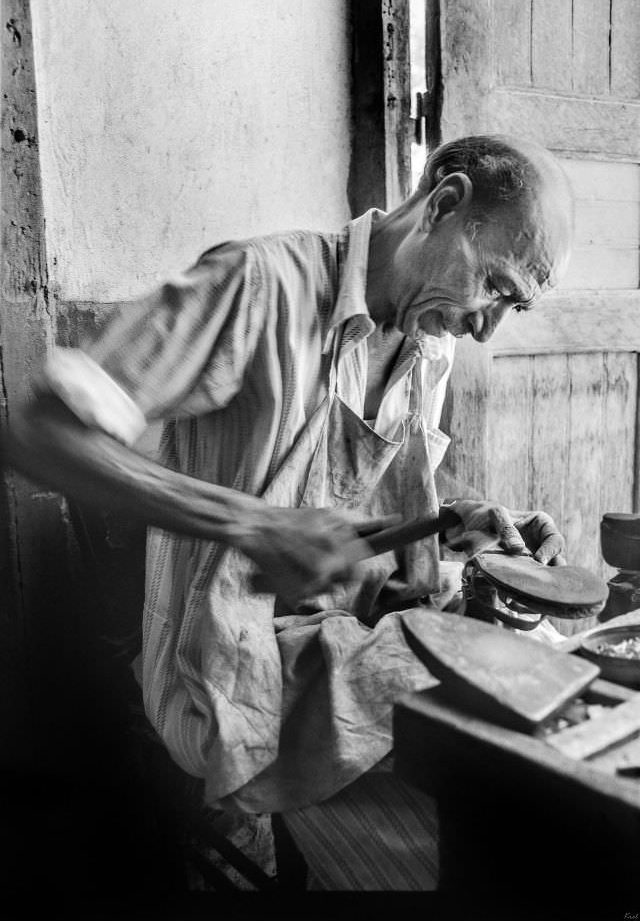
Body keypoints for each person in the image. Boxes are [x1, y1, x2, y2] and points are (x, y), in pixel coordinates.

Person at [4, 135, 573, 890]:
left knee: (537, 679)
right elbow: (40, 429)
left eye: (513, 308)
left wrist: (460, 518)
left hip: (346, 633)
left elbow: (364, 503)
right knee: (488, 744)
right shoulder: (258, 286)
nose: (486, 329)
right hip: (229, 668)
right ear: (444, 203)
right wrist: (249, 522)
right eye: (494, 288)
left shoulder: (426, 343)